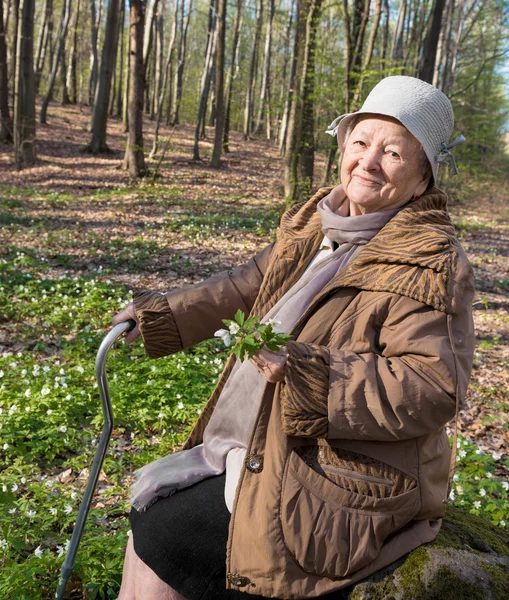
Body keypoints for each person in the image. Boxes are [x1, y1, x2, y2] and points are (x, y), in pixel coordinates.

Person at [113, 76, 475, 600]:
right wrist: (159, 316)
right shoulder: (316, 222)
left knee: (164, 531)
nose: (369, 162)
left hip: (348, 469)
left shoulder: (431, 262)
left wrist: (312, 374)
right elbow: (247, 285)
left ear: (421, 181)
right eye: (360, 142)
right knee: (154, 512)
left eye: (393, 152)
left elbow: (432, 387)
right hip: (272, 438)